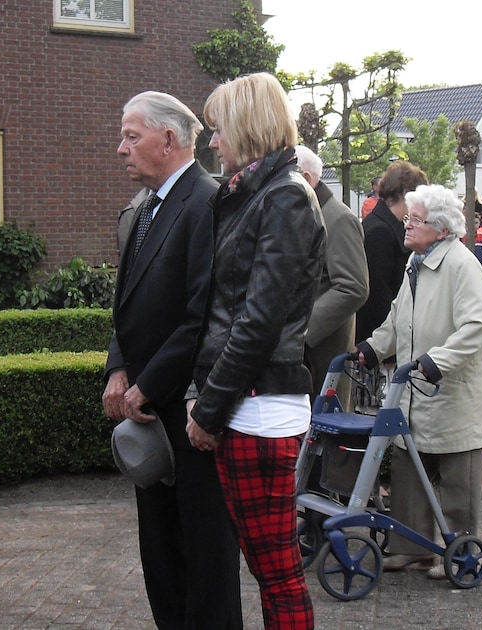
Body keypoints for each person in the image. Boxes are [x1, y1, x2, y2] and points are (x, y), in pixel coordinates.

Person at [103, 91, 242, 630]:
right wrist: (118, 368)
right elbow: (127, 303)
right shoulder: (143, 210)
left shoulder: (207, 203)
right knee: (160, 551)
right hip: (145, 409)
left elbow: (203, 315)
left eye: (131, 136)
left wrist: (149, 384)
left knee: (204, 552)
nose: (121, 149)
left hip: (189, 410)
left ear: (168, 139)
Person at [188, 72, 321, 630]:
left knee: (277, 574)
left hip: (258, 407)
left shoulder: (284, 196)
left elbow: (258, 322)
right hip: (252, 402)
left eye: (217, 130)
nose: (212, 142)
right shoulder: (258, 193)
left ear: (245, 126)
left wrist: (209, 409)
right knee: (273, 571)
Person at [354, 184, 482, 579]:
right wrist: (371, 347)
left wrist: (437, 361)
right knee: (408, 470)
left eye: (415, 221)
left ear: (440, 228)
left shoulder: (461, 264)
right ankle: (412, 548)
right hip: (416, 391)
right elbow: (397, 318)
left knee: (458, 478)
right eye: (408, 218)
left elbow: (479, 324)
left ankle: (460, 552)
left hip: (454, 393)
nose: (407, 225)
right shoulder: (416, 263)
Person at [294, 145, 369, 400]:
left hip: (320, 353)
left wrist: (300, 332)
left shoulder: (338, 218)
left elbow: (353, 287)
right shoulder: (306, 213)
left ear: (306, 179)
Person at [355, 161, 428, 343]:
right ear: (406, 193)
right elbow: (378, 295)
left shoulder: (387, 224)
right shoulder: (380, 231)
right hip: (377, 339)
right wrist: (387, 348)